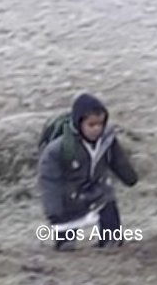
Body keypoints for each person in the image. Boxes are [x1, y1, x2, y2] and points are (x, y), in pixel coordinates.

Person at [38, 93, 139, 250]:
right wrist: (53, 210)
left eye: (100, 124)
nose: (96, 129)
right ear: (79, 123)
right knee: (66, 247)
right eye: (91, 125)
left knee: (112, 230)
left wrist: (130, 178)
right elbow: (50, 180)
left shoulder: (107, 140)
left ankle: (110, 244)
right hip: (69, 198)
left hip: (98, 191)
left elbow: (117, 160)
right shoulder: (59, 148)